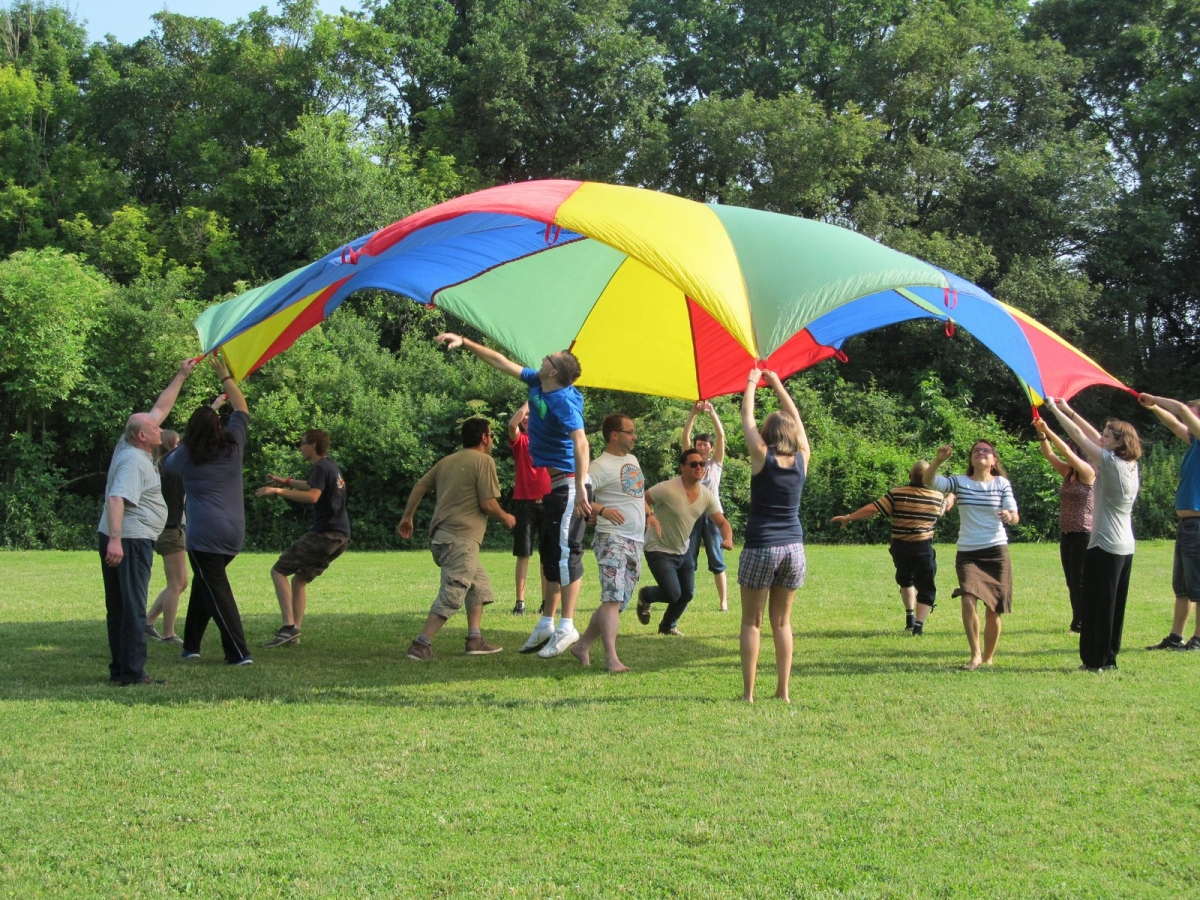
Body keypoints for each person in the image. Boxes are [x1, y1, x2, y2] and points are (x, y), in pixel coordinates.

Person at [434, 332, 591, 659]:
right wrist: (465, 342)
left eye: (549, 357)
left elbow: (581, 442)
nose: (544, 356)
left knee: (565, 555)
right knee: (549, 559)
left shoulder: (563, 400)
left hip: (571, 484)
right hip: (555, 486)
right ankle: (547, 621)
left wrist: (581, 489)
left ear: (553, 372)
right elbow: (501, 361)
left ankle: (568, 625)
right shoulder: (538, 381)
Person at [98, 359, 198, 686]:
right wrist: (115, 540)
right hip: (128, 540)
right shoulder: (133, 462)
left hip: (126, 537)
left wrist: (182, 375)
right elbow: (116, 499)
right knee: (132, 607)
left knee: (122, 607)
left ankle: (122, 670)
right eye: (155, 429)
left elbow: (159, 408)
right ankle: (132, 672)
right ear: (143, 436)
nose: (161, 429)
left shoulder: (131, 445)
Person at [398, 418, 516, 660]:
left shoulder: (447, 461)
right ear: (484, 437)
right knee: (453, 592)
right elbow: (488, 503)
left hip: (443, 539)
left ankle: (475, 639)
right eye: (491, 435)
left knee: (479, 586)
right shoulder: (484, 461)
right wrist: (506, 518)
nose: (492, 439)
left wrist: (407, 517)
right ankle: (422, 644)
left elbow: (420, 486)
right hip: (460, 540)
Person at [163, 356, 254, 667]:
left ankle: (239, 653)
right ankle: (190, 645)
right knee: (206, 583)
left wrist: (199, 424)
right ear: (218, 426)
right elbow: (242, 410)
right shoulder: (233, 445)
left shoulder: (187, 454)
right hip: (234, 532)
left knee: (216, 590)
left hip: (204, 535)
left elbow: (169, 463)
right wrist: (226, 376)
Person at [1044, 399, 1141, 671]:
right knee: (1114, 605)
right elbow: (1091, 435)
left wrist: (1053, 409)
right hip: (1125, 546)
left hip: (1104, 546)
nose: (1101, 437)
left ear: (1118, 443)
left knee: (1096, 604)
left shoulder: (1109, 463)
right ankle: (1108, 657)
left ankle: (1093, 661)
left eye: (1107, 435)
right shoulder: (1130, 464)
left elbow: (1078, 436)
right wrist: (1069, 408)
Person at [737, 368, 809, 703]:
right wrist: (778, 383)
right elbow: (796, 419)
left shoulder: (761, 456)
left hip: (761, 545)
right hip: (794, 547)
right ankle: (783, 691)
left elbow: (746, 415)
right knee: (781, 623)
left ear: (766, 434)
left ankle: (749, 694)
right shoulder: (802, 459)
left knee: (752, 622)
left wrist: (752, 381)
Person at [924, 439, 1019, 670]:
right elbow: (929, 481)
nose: (981, 453)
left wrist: (1009, 516)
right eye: (976, 450)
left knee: (994, 609)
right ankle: (975, 655)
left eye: (986, 451)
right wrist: (937, 460)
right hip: (968, 551)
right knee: (967, 598)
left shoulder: (1002, 484)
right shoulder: (960, 482)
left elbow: (1015, 515)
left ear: (993, 461)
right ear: (971, 459)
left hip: (996, 551)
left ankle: (988, 656)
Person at [830, 460, 954, 635]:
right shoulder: (937, 497)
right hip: (922, 547)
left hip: (900, 547)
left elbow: (874, 508)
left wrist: (849, 517)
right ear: (930, 479)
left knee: (906, 580)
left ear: (910, 476)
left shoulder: (897, 493)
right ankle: (918, 626)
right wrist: (952, 495)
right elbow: (946, 506)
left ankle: (910, 617)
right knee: (926, 587)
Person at [570, 413, 654, 672]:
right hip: (611, 539)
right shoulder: (598, 466)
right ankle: (611, 658)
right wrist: (601, 510)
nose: (634, 436)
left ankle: (581, 645)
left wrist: (650, 514)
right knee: (612, 598)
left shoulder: (632, 459)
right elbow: (578, 494)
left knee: (619, 601)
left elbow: (637, 493)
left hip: (635, 539)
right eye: (630, 432)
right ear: (614, 435)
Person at [255, 428, 351, 648]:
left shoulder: (319, 466)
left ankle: (288, 627)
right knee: (300, 579)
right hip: (341, 537)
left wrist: (276, 491)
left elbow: (312, 496)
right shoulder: (330, 467)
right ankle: (294, 633)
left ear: (313, 446)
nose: (300, 447)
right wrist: (285, 481)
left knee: (279, 571)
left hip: (325, 534)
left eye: (302, 443)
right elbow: (310, 485)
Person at [637, 449, 733, 637]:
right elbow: (640, 498)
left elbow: (722, 522)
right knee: (673, 593)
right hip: (659, 548)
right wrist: (650, 515)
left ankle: (667, 626)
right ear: (682, 467)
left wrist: (727, 538)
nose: (699, 467)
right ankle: (646, 595)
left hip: (683, 549)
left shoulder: (706, 495)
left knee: (687, 593)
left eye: (702, 464)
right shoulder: (667, 488)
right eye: (693, 464)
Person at [1137, 394, 1200, 651]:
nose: (1190, 415)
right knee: (1182, 586)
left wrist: (1154, 398)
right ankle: (1176, 637)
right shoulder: (1195, 443)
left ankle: (1198, 639)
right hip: (1188, 525)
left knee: (1198, 585)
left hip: (1197, 525)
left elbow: (1182, 412)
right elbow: (1175, 424)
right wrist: (1153, 408)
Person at [1033, 415, 1095, 633]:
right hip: (1067, 533)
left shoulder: (1088, 473)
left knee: (1080, 580)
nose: (1069, 458)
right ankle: (1078, 620)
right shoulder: (1068, 473)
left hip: (1083, 533)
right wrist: (1041, 434)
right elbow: (1049, 454)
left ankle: (1081, 622)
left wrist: (1048, 430)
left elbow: (1066, 452)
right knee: (1071, 580)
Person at [682, 401, 729, 611]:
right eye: (698, 444)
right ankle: (684, 597)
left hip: (712, 515)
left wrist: (712, 412)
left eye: (705, 445)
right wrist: (692, 413)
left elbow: (721, 436)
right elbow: (685, 437)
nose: (701, 447)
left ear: (710, 448)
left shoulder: (715, 464)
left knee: (717, 560)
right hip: (691, 514)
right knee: (688, 558)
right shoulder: (691, 462)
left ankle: (723, 602)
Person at [144, 429, 187, 644]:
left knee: (181, 582)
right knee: (176, 584)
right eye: (177, 443)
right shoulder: (168, 468)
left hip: (168, 529)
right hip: (169, 530)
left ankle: (148, 621)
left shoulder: (160, 467)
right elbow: (189, 444)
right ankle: (168, 634)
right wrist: (214, 408)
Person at [507, 402, 550, 615]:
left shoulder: (546, 439)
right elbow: (511, 424)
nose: (525, 418)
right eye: (525, 416)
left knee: (546, 555)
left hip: (548, 501)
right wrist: (529, 401)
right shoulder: (520, 441)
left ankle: (545, 602)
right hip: (524, 503)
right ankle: (520, 603)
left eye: (530, 416)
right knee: (523, 554)